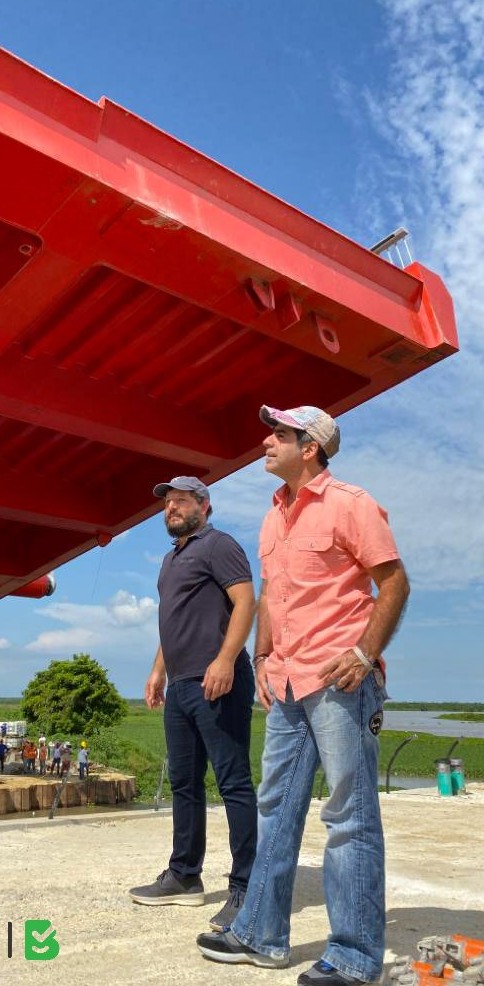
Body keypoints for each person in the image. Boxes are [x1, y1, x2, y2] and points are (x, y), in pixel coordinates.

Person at [196, 406, 410, 986]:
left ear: (309, 447)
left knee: (349, 816)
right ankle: (261, 934)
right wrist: (262, 657)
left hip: (340, 682)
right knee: (276, 808)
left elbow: (394, 582)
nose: (266, 441)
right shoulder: (273, 516)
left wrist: (365, 654)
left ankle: (354, 957)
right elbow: (272, 594)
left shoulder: (351, 503)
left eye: (279, 435)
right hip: (287, 682)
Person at [130, 475, 257, 929]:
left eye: (181, 502)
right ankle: (184, 876)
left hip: (218, 679)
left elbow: (246, 603)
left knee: (233, 782)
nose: (171, 509)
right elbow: (174, 623)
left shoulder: (219, 544)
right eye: (167, 504)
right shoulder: (169, 561)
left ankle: (248, 889)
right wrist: (157, 671)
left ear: (204, 505)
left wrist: (224, 660)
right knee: (185, 782)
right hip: (181, 684)